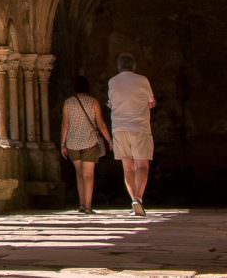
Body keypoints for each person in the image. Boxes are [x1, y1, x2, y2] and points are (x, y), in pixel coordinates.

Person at [108, 53, 156, 216]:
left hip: (119, 128)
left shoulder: (112, 82)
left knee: (127, 167)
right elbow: (151, 102)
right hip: (139, 127)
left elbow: (111, 103)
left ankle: (133, 201)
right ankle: (138, 198)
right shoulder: (142, 80)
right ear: (134, 66)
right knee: (141, 165)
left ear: (118, 67)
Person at [59, 75, 112, 214]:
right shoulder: (93, 102)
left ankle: (81, 204)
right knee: (88, 175)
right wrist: (109, 140)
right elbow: (100, 124)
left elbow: (65, 124)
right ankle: (88, 206)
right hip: (89, 142)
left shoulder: (68, 103)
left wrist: (62, 143)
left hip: (72, 143)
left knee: (79, 174)